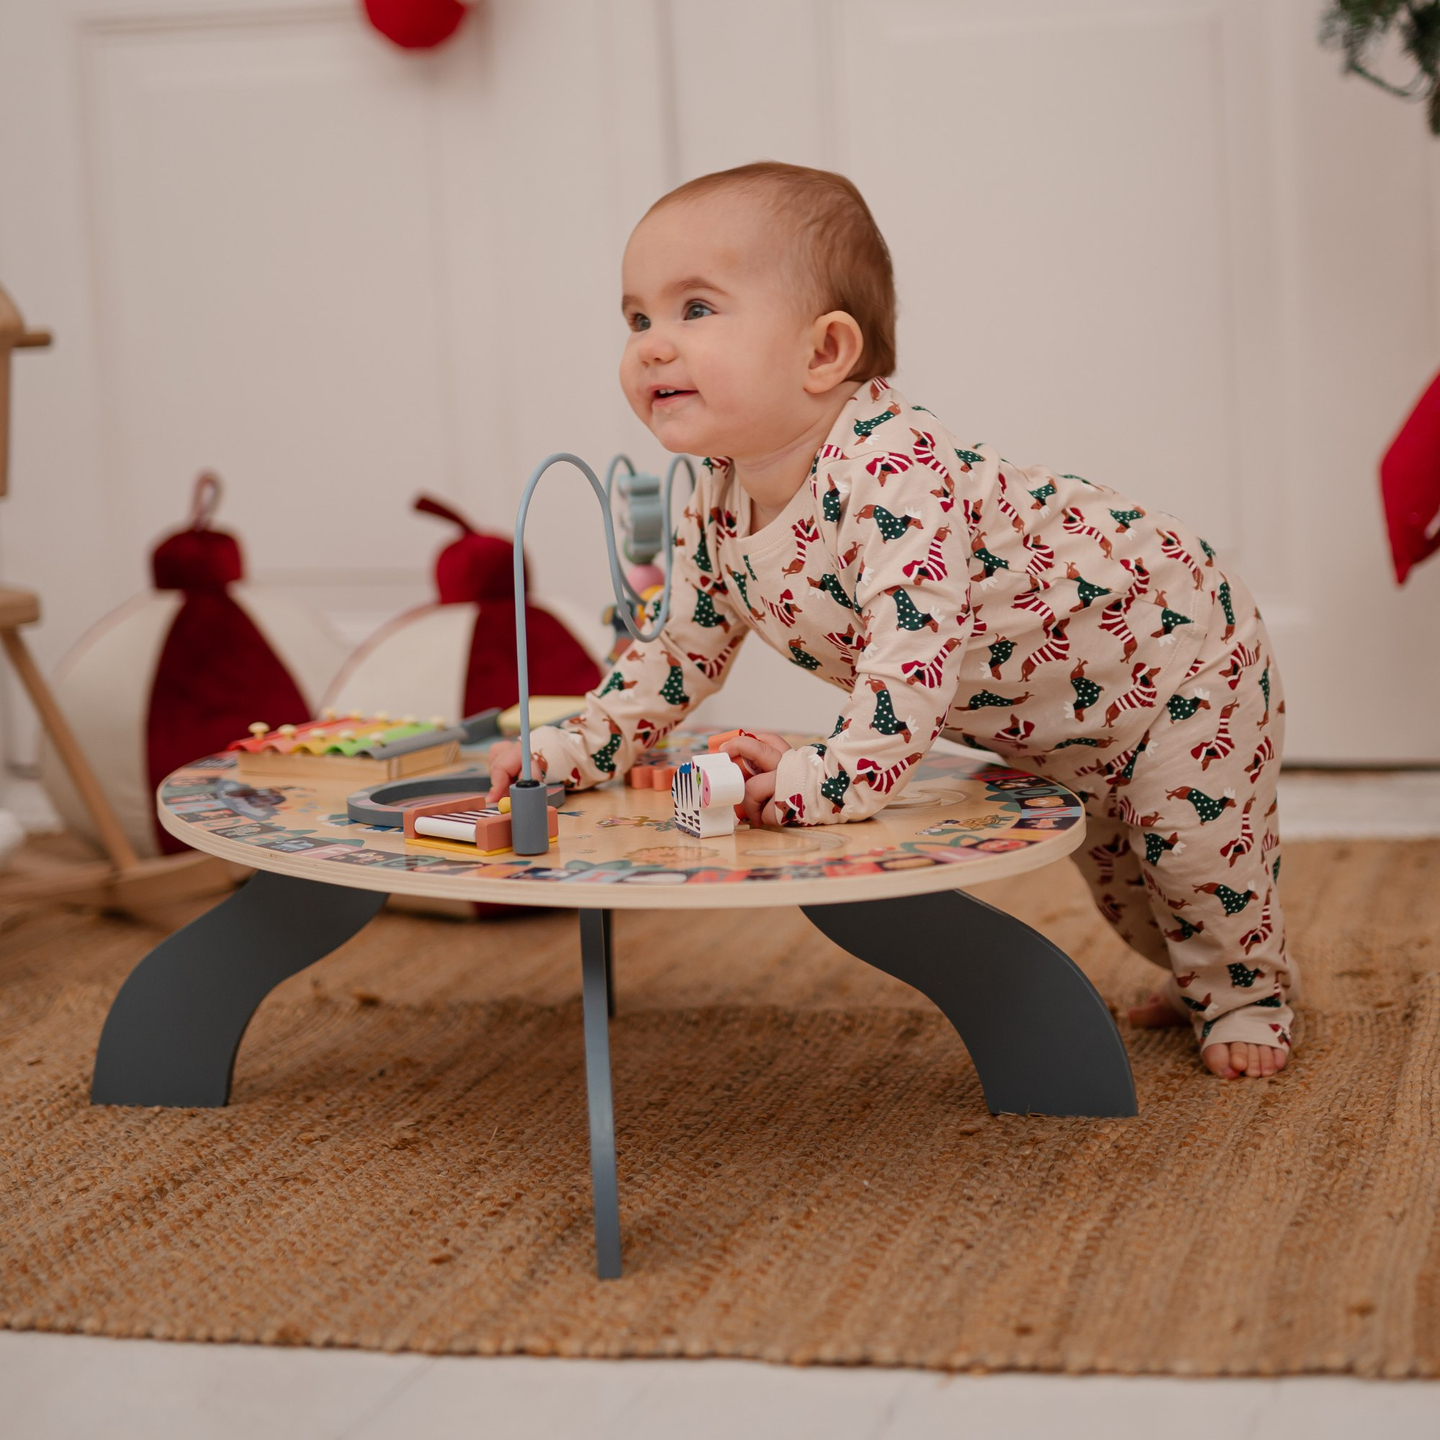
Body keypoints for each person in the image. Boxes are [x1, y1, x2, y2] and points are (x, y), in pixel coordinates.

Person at [487, 161, 1292, 1081]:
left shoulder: (891, 466)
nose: (652, 346)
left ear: (823, 353)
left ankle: (1247, 993)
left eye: (696, 310)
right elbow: (677, 654)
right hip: (1061, 716)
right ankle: (1196, 973)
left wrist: (816, 781)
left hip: (1176, 643)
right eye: (637, 319)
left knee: (1192, 852)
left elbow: (910, 665)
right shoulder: (712, 497)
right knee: (1123, 875)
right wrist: (571, 750)